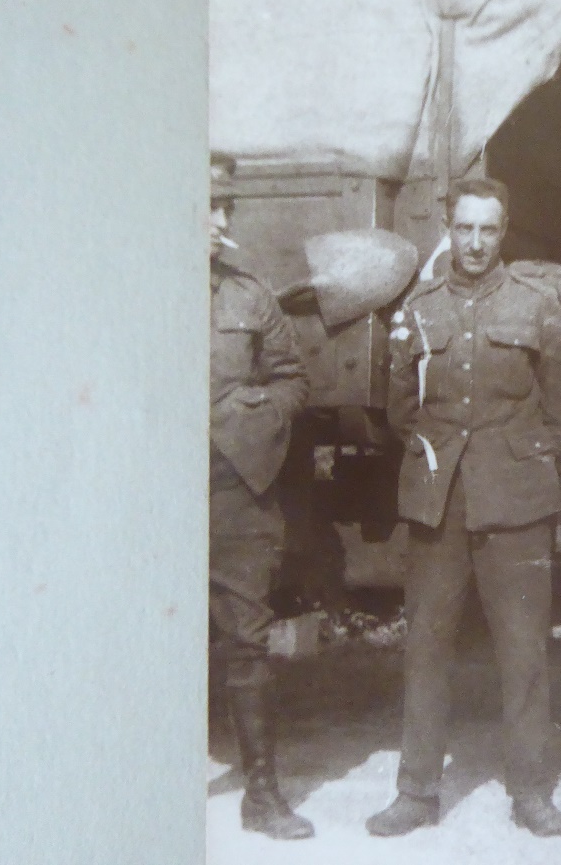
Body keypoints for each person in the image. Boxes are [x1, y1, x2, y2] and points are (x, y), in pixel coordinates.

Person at [366, 177, 561, 838]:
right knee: (426, 648)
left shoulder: (537, 307)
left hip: (515, 503)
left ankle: (532, 791)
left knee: (522, 652)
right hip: (439, 503)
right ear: (449, 228)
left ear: (503, 231)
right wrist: (441, 455)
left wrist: (519, 457)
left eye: (488, 229)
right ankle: (416, 791)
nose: (476, 242)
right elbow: (401, 407)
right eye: (464, 228)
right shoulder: (419, 308)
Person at [208, 153, 314, 840]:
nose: (222, 221)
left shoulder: (248, 295)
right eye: (209, 206)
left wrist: (251, 420)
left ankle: (262, 795)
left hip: (232, 489)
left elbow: (292, 378)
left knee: (246, 639)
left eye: (227, 207)